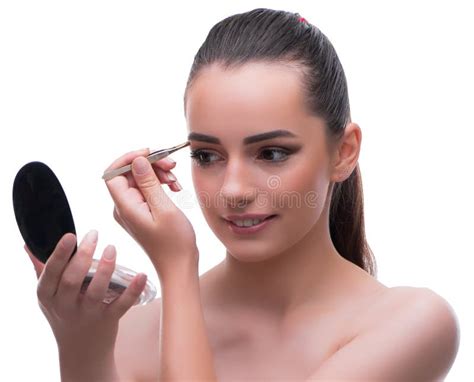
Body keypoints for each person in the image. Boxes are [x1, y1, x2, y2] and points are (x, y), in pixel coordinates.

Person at [25, 7, 460, 381]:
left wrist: (177, 266)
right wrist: (80, 345)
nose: (232, 190)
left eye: (271, 153)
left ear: (343, 153)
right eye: (207, 155)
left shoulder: (412, 324)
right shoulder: (135, 332)